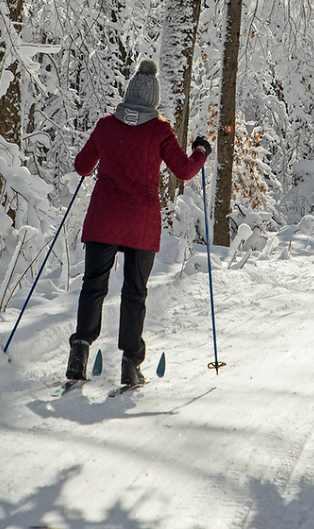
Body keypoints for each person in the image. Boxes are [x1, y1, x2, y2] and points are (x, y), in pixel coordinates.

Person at [67, 59, 212, 387]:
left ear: (129, 93)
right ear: (153, 100)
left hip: (103, 219)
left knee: (93, 286)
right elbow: (184, 171)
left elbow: (81, 167)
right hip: (140, 224)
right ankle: (131, 364)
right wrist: (201, 151)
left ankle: (78, 354)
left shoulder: (106, 125)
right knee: (134, 293)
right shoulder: (160, 129)